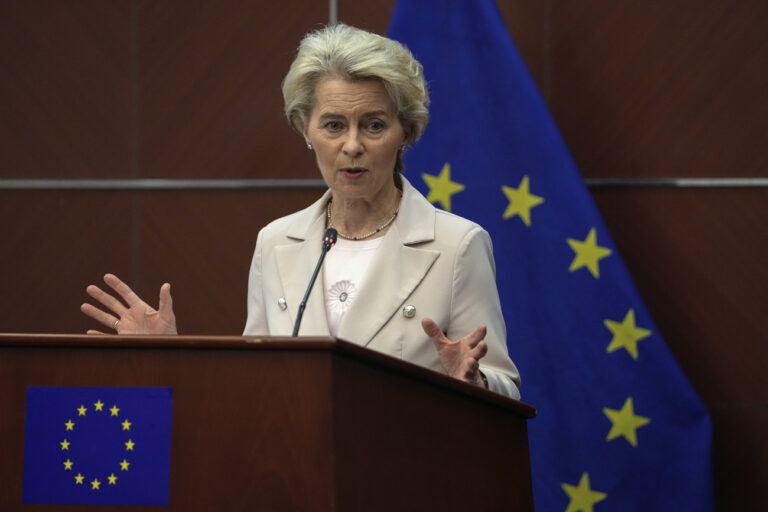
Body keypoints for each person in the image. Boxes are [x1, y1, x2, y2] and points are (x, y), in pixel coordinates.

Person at [81, 24, 521, 399]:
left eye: (373, 125)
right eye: (333, 125)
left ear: (405, 132)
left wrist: (474, 379)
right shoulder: (276, 242)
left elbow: (505, 383)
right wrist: (174, 355)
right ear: (304, 129)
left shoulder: (456, 244)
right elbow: (254, 385)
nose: (352, 145)